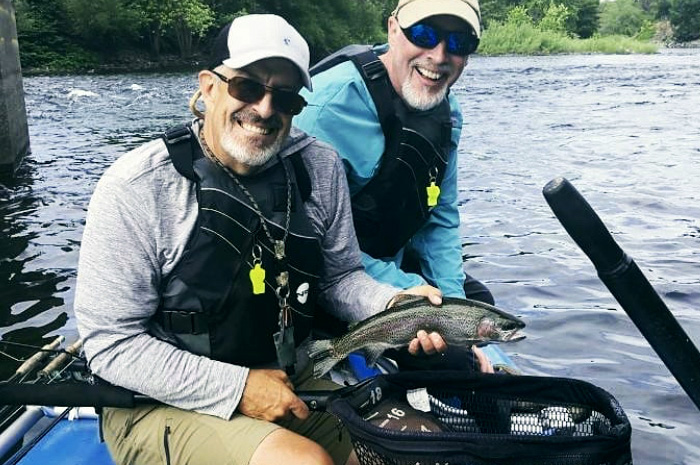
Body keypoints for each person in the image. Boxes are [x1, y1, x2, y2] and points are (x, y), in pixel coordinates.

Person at [74, 14, 450, 465]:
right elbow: (110, 344)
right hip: (158, 402)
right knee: (302, 463)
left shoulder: (320, 167)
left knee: (420, 449)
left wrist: (393, 305)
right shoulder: (138, 186)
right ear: (209, 87)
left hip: (290, 379)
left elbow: (341, 277)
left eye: (286, 97)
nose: (266, 109)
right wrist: (238, 389)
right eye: (247, 87)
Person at [295, 0, 493, 309]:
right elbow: (313, 244)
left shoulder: (447, 113)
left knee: (478, 303)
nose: (439, 56)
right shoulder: (324, 111)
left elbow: (440, 215)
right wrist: (411, 287)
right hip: (331, 277)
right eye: (424, 34)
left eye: (459, 42)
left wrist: (452, 304)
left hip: (390, 259)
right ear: (392, 29)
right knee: (454, 358)